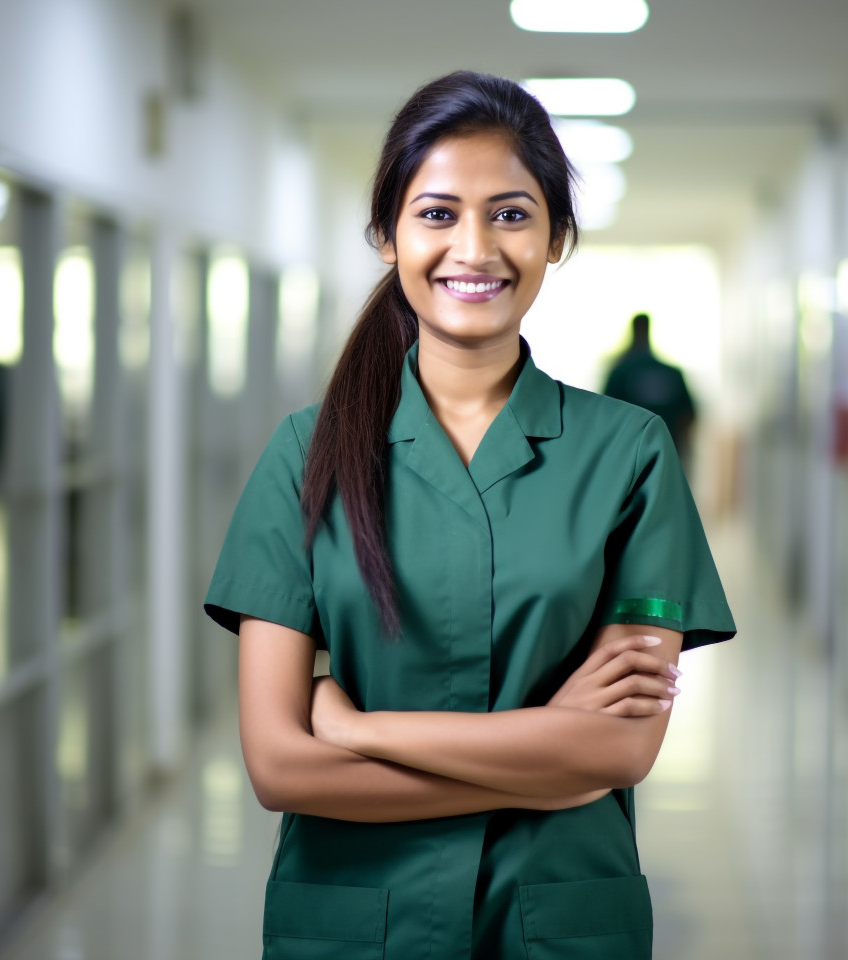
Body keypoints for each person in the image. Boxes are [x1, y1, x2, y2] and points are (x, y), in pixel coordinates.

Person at [205, 70, 735, 960]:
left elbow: (618, 753)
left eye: (513, 214)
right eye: (439, 213)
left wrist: (357, 731)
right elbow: (279, 765)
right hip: (356, 926)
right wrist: (543, 760)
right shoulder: (306, 456)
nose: (476, 248)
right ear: (387, 234)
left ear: (557, 237)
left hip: (557, 925)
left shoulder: (630, 454)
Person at [603, 313, 697, 466]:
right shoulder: (671, 373)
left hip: (630, 454)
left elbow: (606, 415)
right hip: (666, 451)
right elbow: (688, 416)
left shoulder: (621, 372)